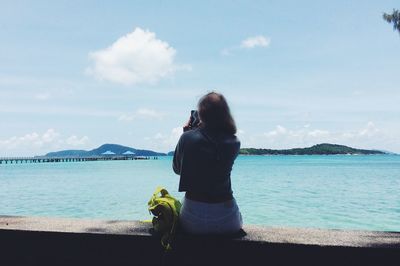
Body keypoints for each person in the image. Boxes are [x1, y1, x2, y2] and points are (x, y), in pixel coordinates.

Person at [172, 92, 242, 234]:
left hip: (192, 220)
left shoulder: (187, 137)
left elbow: (177, 169)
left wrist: (186, 134)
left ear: (201, 114)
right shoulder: (234, 142)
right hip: (228, 220)